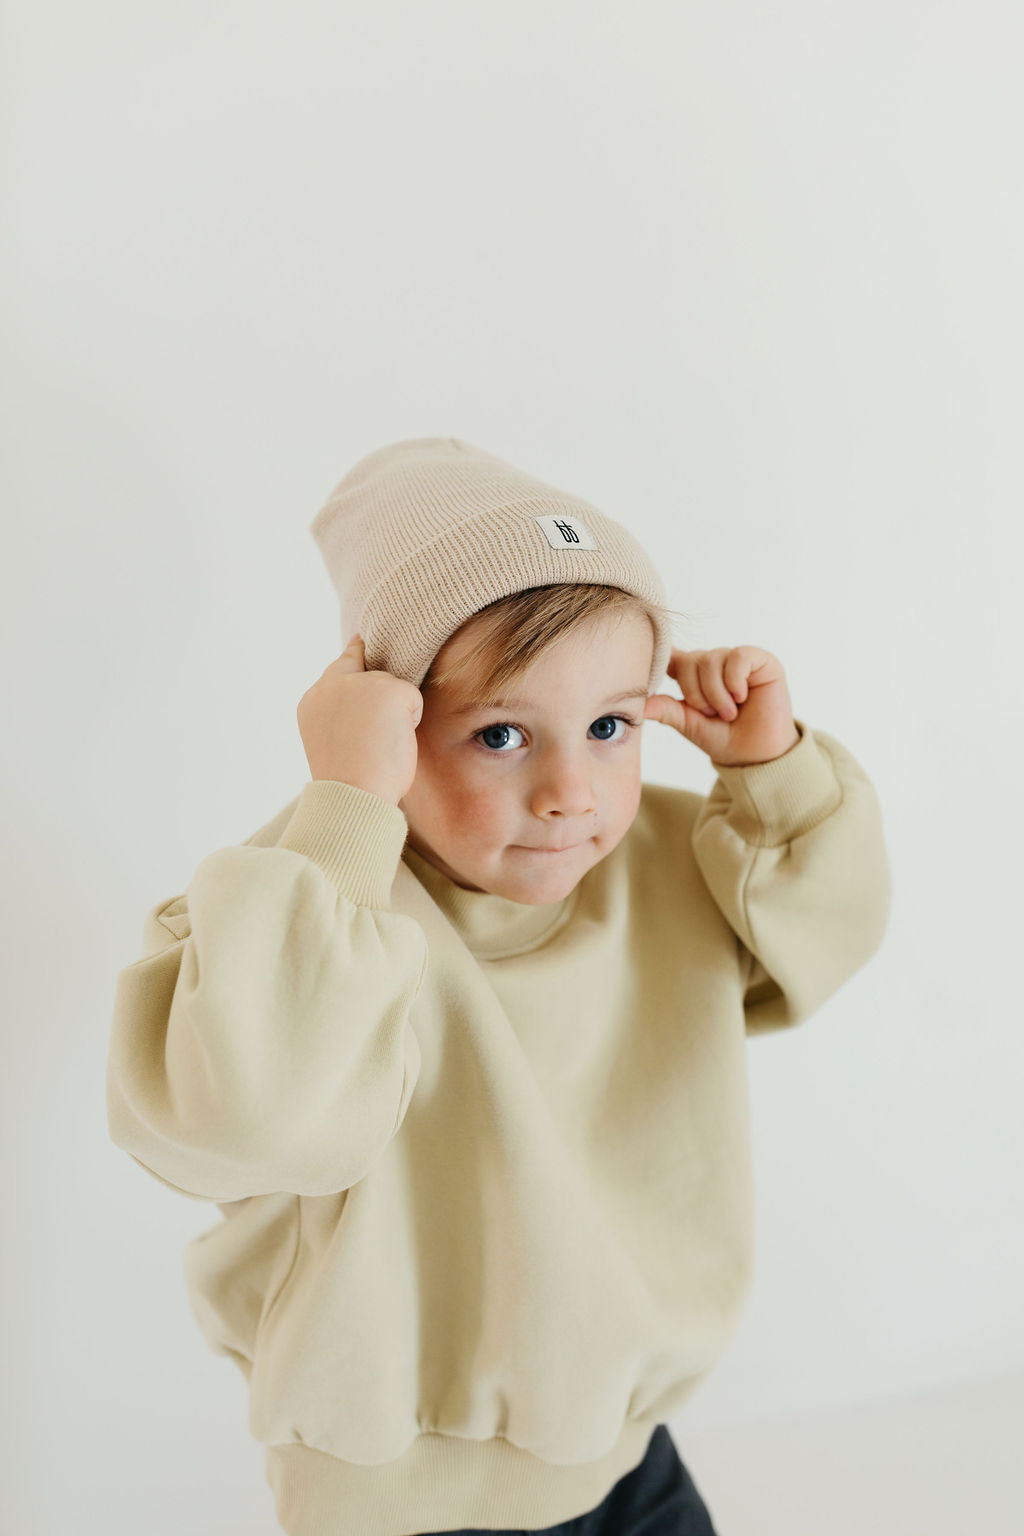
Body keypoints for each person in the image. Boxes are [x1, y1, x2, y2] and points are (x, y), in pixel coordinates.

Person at [106, 437, 891, 1536]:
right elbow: (247, 1120)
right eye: (502, 733)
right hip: (402, 1498)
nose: (572, 793)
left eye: (611, 726)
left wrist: (770, 774)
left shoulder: (672, 862)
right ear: (388, 723)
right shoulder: (304, 910)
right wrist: (344, 806)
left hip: (622, 1454)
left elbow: (825, 936)